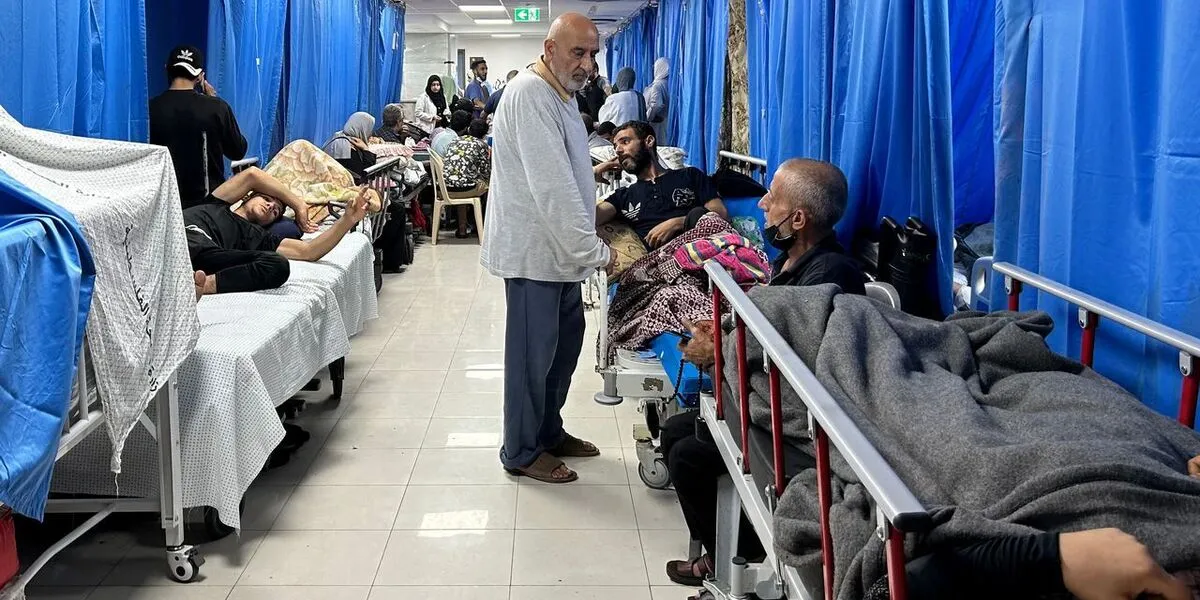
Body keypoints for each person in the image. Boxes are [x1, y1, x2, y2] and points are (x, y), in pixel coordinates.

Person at [661, 159, 865, 587]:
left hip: (806, 426)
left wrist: (718, 352)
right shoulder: (790, 260)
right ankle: (723, 547)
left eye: (772, 197)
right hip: (772, 397)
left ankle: (735, 555)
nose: (762, 204)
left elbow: (799, 364)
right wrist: (723, 331)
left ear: (798, 219)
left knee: (687, 456)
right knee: (676, 431)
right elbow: (765, 327)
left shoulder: (830, 277)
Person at [480, 12, 614, 484]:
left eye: (593, 54)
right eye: (578, 52)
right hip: (533, 254)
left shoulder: (562, 95)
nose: (587, 64)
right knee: (531, 360)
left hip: (562, 253)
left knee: (563, 351)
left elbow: (568, 172)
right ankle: (520, 450)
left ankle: (548, 432)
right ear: (550, 48)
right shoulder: (530, 95)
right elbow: (553, 189)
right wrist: (599, 253)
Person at [187, 167, 364, 298]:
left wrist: (347, 220)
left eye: (276, 211)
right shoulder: (217, 203)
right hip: (178, 234)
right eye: (266, 199)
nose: (271, 206)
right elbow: (252, 175)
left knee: (278, 265)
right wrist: (298, 205)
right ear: (247, 196)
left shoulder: (258, 237)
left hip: (203, 254)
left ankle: (199, 286)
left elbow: (309, 251)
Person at [595, 121, 728, 249]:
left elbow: (720, 214)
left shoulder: (690, 175)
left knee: (697, 212)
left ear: (649, 141)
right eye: (615, 147)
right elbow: (588, 220)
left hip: (706, 249)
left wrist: (679, 222)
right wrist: (593, 173)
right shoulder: (623, 197)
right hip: (662, 260)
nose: (618, 150)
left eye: (625, 142)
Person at [149, 45, 248, 210]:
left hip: (163, 206)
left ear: (167, 69)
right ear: (200, 76)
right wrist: (213, 100)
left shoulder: (149, 109)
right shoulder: (217, 108)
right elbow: (238, 151)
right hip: (207, 208)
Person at [442, 119, 492, 238]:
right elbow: (486, 172)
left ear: (469, 129)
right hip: (466, 189)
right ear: (484, 135)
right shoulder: (482, 145)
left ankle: (462, 229)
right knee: (488, 186)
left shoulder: (455, 141)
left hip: (444, 188)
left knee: (462, 181)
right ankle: (482, 226)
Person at [322, 112, 377, 185]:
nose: (370, 133)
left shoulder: (338, 137)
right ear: (363, 129)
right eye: (369, 129)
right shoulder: (346, 147)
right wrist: (365, 149)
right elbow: (365, 175)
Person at [644, 57, 671, 145]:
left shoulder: (657, 85)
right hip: (667, 120)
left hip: (658, 122)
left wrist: (648, 117)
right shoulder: (669, 84)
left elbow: (657, 104)